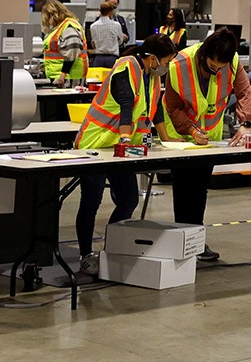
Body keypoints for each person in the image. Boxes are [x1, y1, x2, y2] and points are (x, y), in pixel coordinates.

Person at [72, 34, 176, 273]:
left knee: (129, 198)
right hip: (95, 146)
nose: (167, 67)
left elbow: (155, 108)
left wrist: (169, 140)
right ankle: (85, 254)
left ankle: (112, 249)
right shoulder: (126, 66)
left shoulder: (151, 77)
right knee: (91, 200)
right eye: (166, 62)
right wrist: (126, 136)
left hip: (121, 149)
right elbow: (126, 103)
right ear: (152, 58)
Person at [162, 28, 251, 262]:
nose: (217, 71)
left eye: (221, 68)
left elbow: (244, 91)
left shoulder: (232, 61)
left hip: (210, 138)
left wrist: (245, 122)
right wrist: (192, 130)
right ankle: (183, 243)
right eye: (213, 67)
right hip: (181, 137)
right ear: (203, 55)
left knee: (200, 189)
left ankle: (195, 242)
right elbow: (173, 107)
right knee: (184, 190)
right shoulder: (178, 65)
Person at [41, 0, 88, 86]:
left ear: (53, 15)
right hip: (60, 77)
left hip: (69, 78)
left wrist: (63, 75)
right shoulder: (60, 27)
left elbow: (72, 51)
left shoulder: (69, 27)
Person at [89, 0, 125, 70]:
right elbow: (120, 41)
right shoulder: (116, 25)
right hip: (112, 58)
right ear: (110, 12)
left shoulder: (93, 26)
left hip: (98, 59)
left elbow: (93, 43)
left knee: (98, 80)